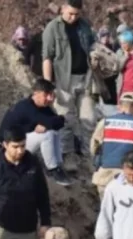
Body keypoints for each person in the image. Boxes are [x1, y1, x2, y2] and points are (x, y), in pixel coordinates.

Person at [42, 0, 96, 156]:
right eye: (70, 14)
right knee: (65, 120)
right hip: (63, 81)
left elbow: (93, 46)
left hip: (86, 79)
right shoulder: (53, 28)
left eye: (77, 14)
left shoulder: (84, 26)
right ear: (63, 9)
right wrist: (47, 85)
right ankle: (67, 156)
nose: (73, 17)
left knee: (89, 119)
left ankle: (88, 155)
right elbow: (47, 57)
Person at [0, 78, 71, 186]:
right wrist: (48, 124)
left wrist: (50, 124)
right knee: (47, 134)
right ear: (36, 93)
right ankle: (52, 168)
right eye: (46, 95)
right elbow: (50, 121)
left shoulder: (43, 107)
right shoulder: (27, 107)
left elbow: (59, 122)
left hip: (22, 140)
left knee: (54, 131)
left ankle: (58, 164)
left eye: (51, 94)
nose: (49, 98)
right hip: (9, 147)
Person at [90, 92, 133, 197]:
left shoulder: (104, 122)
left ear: (119, 106)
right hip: (128, 177)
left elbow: (93, 148)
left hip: (104, 177)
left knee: (106, 205)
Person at [117, 31, 133, 96]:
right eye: (121, 43)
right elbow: (118, 68)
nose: (122, 46)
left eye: (124, 43)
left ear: (130, 43)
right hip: (123, 89)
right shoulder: (120, 53)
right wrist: (125, 57)